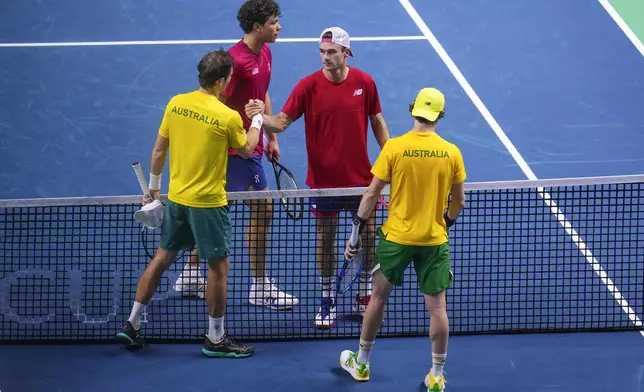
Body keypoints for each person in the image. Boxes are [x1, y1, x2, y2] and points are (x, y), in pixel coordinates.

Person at [116, 50, 262, 358]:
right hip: (208, 204)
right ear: (223, 81)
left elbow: (158, 150)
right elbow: (248, 150)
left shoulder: (176, 103)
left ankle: (132, 323)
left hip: (177, 199)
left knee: (162, 258)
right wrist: (258, 119)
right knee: (218, 268)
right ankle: (216, 338)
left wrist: (154, 189)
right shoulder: (227, 116)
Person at [245, 26, 390, 329]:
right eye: (322, 52)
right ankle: (327, 298)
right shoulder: (307, 86)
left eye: (332, 52)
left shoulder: (365, 83)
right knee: (325, 238)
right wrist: (259, 117)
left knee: (368, 234)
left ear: (346, 53)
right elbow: (281, 122)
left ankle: (363, 291)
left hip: (361, 180)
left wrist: (390, 157)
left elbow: (376, 120)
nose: (325, 57)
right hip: (324, 182)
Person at [337, 87, 467, 391]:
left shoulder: (394, 148)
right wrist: (444, 223)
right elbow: (458, 201)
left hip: (396, 239)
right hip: (434, 240)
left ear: (414, 110)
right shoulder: (451, 152)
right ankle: (437, 374)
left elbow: (371, 193)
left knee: (377, 299)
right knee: (437, 309)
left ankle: (362, 363)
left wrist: (355, 234)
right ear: (440, 115)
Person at [173, 0, 298, 310]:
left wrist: (270, 136)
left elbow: (261, 93)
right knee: (261, 209)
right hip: (235, 147)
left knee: (217, 206)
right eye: (273, 22)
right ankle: (259, 286)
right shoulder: (235, 62)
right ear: (257, 27)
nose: (278, 26)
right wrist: (234, 142)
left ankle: (190, 273)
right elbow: (216, 102)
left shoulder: (265, 52)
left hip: (252, 141)